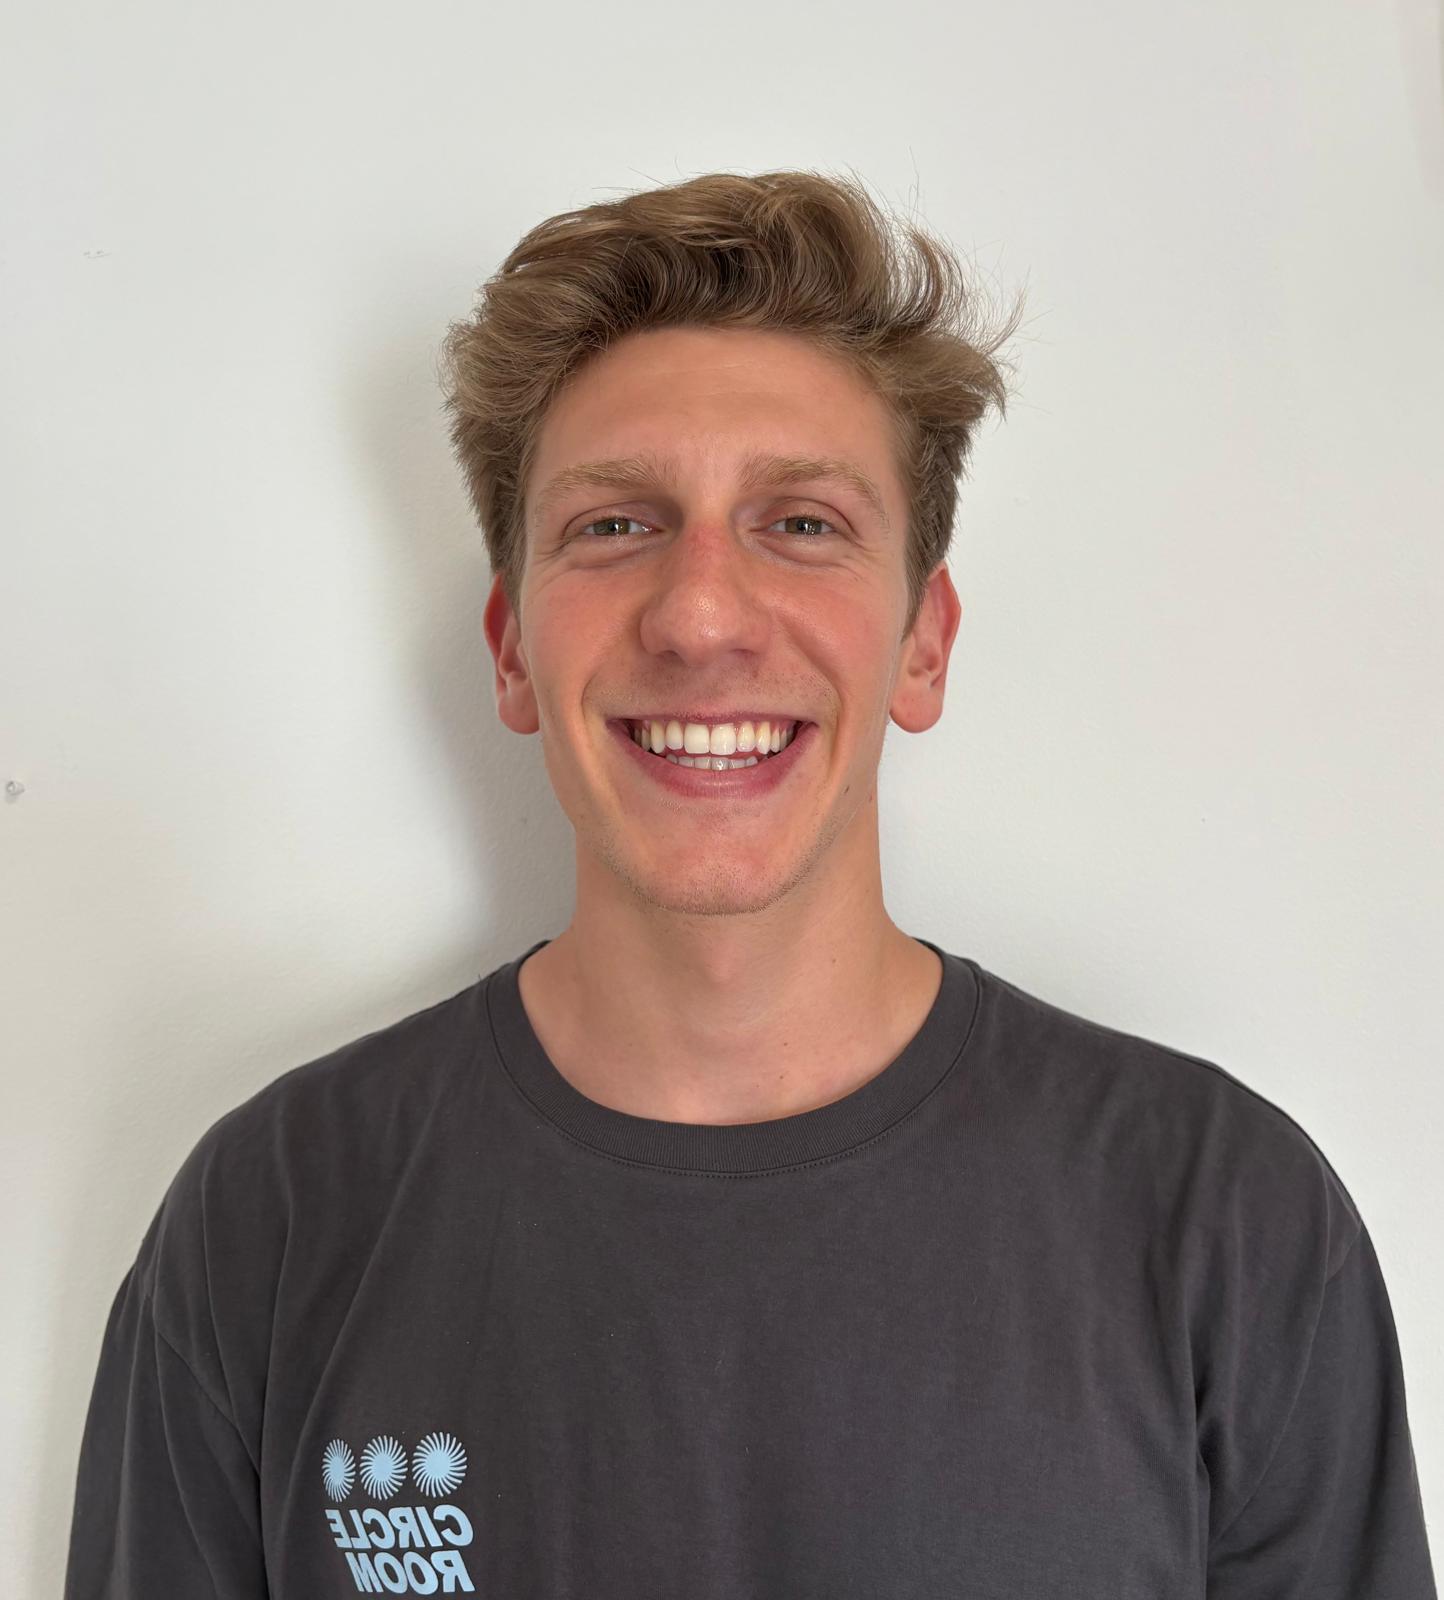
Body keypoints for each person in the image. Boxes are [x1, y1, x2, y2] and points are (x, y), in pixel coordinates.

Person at [64, 169, 1436, 1599]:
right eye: (615, 525)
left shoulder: (1226, 1225)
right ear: (513, 649)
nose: (702, 614)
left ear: (923, 644)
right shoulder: (271, 1224)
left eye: (803, 523)